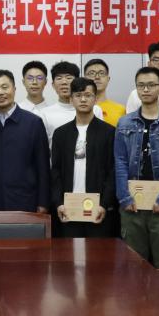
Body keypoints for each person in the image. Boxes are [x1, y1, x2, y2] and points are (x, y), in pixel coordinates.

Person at [114, 66, 159, 267]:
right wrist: (124, 197)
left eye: (151, 85)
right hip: (132, 204)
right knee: (133, 266)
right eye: (141, 85)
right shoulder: (124, 123)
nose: (146, 90)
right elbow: (119, 161)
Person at [50, 77, 117, 237]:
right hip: (68, 208)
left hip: (98, 208)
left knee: (98, 252)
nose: (83, 99)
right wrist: (58, 203)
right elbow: (55, 171)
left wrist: (104, 204)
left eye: (88, 95)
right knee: (70, 251)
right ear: (71, 99)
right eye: (78, 95)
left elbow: (113, 171)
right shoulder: (61, 134)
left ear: (95, 98)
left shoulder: (109, 132)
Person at [0, 70, 50, 214]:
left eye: (5, 87)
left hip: (26, 200)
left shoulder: (33, 123)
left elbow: (42, 166)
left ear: (14, 89)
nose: (0, 92)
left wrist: (43, 202)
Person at [37, 61, 103, 144]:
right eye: (59, 78)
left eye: (68, 78)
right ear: (53, 85)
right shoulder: (44, 114)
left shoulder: (95, 109)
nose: (64, 82)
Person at [84, 58, 126, 126]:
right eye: (92, 73)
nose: (97, 77)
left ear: (108, 79)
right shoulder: (78, 108)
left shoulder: (121, 110)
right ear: (84, 78)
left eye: (101, 73)